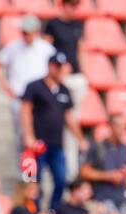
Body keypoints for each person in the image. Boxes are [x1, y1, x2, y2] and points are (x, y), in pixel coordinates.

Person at [20, 53, 79, 213]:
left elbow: (69, 117)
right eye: (57, 66)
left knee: (61, 180)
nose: (60, 70)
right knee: (32, 180)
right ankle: (35, 213)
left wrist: (80, 138)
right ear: (50, 66)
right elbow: (25, 111)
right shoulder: (35, 87)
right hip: (37, 144)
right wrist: (29, 135)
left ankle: (54, 212)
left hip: (56, 144)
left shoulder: (64, 90)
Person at [0, 16, 55, 157]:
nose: (26, 35)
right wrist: (5, 86)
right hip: (20, 98)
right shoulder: (13, 46)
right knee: (22, 138)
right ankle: (25, 174)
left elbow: (56, 69)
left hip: (40, 100)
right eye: (24, 32)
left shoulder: (45, 49)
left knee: (41, 136)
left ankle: (38, 170)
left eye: (29, 32)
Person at [44, 0, 87, 177]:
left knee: (71, 124)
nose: (75, 9)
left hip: (74, 77)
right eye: (72, 4)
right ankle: (35, 180)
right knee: (56, 125)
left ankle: (70, 174)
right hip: (61, 78)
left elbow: (80, 50)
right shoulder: (53, 24)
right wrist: (59, 73)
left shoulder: (78, 25)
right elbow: (47, 50)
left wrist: (84, 72)